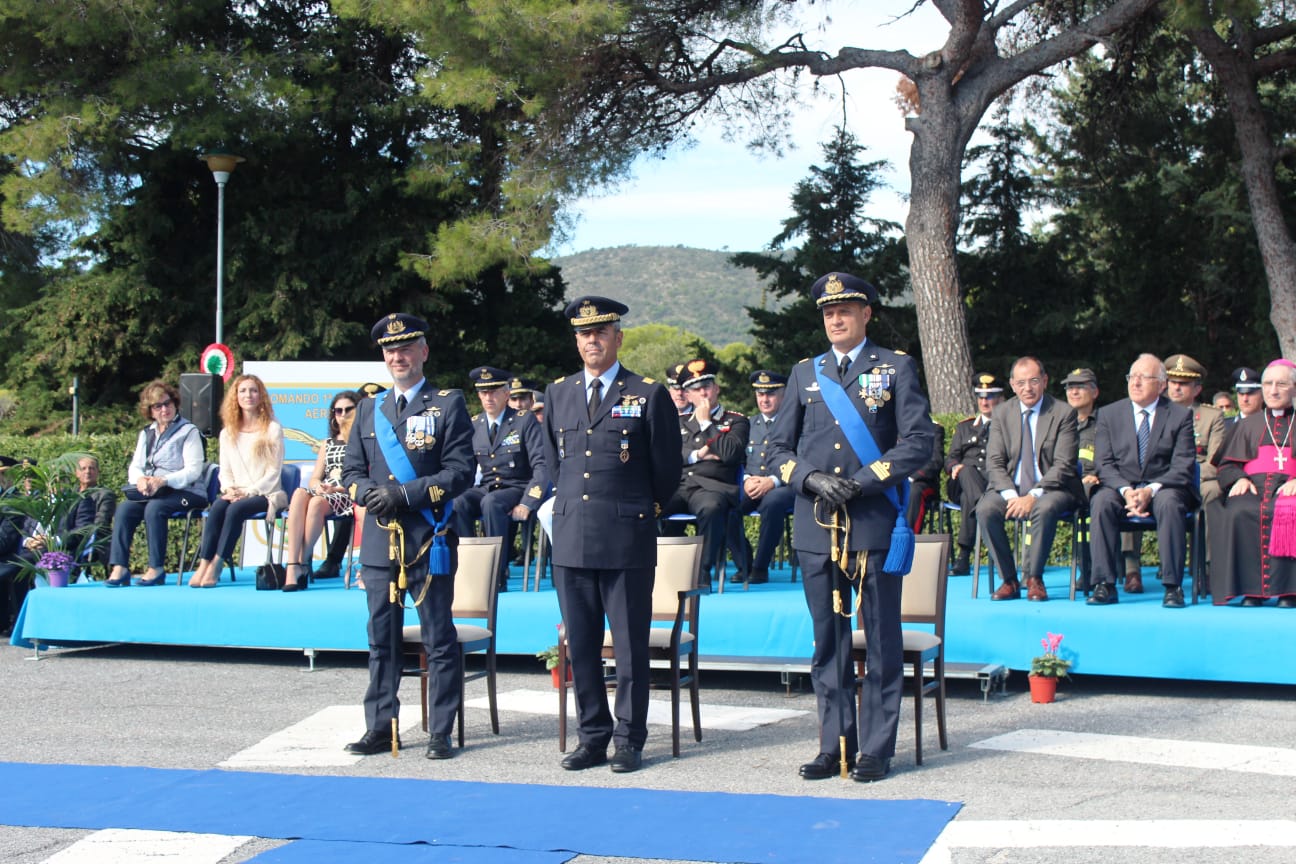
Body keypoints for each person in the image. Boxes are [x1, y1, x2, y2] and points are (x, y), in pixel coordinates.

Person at [767, 271, 934, 783]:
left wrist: (862, 481)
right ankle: (835, 743)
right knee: (828, 642)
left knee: (882, 640)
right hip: (817, 523)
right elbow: (777, 449)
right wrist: (811, 478)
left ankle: (876, 748)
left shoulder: (896, 367)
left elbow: (919, 440)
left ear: (866, 315)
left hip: (874, 520)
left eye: (845, 310)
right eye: (827, 312)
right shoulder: (804, 374)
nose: (835, 319)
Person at [541, 296, 681, 774]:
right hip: (572, 537)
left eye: (601, 332)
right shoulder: (557, 394)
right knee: (580, 646)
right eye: (584, 334)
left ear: (618, 337)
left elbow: (666, 471)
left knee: (628, 648)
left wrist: (640, 511)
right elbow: (553, 463)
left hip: (625, 538)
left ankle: (628, 739)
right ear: (576, 341)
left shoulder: (647, 393)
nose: (592, 341)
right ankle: (593, 737)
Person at [341, 313, 474, 759]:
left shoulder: (448, 404)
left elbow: (459, 472)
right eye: (389, 350)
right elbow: (351, 470)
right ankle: (381, 727)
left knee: (438, 638)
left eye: (405, 348)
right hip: (380, 541)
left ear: (423, 352)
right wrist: (365, 494)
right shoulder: (368, 408)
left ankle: (440, 731)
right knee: (382, 639)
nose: (397, 356)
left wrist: (403, 494)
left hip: (427, 537)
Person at [1088, 354, 1198, 608]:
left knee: (1170, 504)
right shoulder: (1109, 414)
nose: (1135, 383)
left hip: (1164, 486)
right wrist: (1127, 491)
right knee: (1101, 501)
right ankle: (1104, 584)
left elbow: (1183, 465)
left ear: (1161, 385)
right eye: (1131, 377)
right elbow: (1103, 463)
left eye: (1143, 378)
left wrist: (1150, 490)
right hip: (1121, 486)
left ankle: (1173, 586)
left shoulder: (1179, 415)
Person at [977, 357, 1082, 602]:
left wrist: (1033, 496)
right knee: (985, 509)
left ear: (1044, 381)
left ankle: (1034, 578)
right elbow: (994, 461)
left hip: (1052, 488)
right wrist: (1013, 497)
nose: (1028, 388)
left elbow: (1064, 465)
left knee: (1044, 508)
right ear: (1013, 385)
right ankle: (1010, 580)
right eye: (1021, 382)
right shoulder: (1002, 412)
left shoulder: (1063, 413)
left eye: (1034, 381)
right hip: (1010, 489)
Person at [1208, 359, 1296, 607]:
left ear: (1294, 388)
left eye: (1281, 384)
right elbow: (1225, 465)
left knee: (1290, 509)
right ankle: (1251, 591)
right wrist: (1239, 478)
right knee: (1240, 509)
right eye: (1268, 384)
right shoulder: (1246, 425)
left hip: (1290, 487)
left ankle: (1290, 591)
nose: (1273, 390)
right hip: (1253, 486)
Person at [452, 366, 549, 591]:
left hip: (517, 486)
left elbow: (541, 466)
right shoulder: (475, 424)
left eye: (494, 391)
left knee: (491, 503)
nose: (489, 397)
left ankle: (497, 571)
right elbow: (467, 467)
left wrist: (528, 502)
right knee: (460, 502)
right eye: (484, 392)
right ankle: (472, 566)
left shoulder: (524, 421)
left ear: (506, 394)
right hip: (488, 487)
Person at [105, 381, 208, 587]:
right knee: (125, 508)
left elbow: (193, 470)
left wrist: (163, 480)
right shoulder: (147, 433)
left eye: (167, 403)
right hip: (156, 491)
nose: (164, 409)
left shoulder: (189, 431)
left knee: (155, 508)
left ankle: (156, 568)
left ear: (175, 403)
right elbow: (135, 466)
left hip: (187, 491)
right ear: (150, 411)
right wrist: (140, 480)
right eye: (158, 406)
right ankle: (120, 567)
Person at [188, 375, 286, 589]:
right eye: (242, 391)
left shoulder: (272, 430)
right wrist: (229, 489)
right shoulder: (227, 433)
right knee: (217, 508)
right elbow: (225, 470)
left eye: (253, 390)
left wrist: (248, 492)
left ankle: (217, 563)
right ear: (235, 397)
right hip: (235, 492)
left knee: (235, 510)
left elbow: (273, 472)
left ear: (261, 396)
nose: (248, 395)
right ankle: (204, 563)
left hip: (264, 494)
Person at [661, 359, 749, 586]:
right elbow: (666, 454)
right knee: (643, 505)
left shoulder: (736, 421)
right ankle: (651, 569)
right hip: (678, 487)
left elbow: (730, 454)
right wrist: (697, 455)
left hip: (712, 488)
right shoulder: (675, 421)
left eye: (707, 387)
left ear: (716, 388)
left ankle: (702, 572)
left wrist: (706, 424)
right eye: (696, 390)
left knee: (711, 509)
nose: (703, 393)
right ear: (688, 396)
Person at [281, 390, 360, 591]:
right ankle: (293, 565)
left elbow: (361, 475)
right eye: (338, 410)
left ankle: (300, 562)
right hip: (325, 490)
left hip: (346, 492)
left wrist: (336, 488)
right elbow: (316, 475)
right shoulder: (327, 443)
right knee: (300, 493)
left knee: (316, 503)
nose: (342, 414)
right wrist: (318, 486)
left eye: (348, 410)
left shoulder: (361, 441)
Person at [734, 370, 795, 585]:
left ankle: (760, 567)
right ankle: (745, 562)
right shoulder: (748, 425)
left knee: (772, 502)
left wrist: (773, 481)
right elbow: (738, 460)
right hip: (752, 483)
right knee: (725, 504)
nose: (764, 399)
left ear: (783, 395)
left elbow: (800, 460)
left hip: (784, 485)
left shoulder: (795, 425)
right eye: (760, 394)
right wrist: (747, 479)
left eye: (770, 394)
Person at [944, 373, 1005, 575]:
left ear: (1000, 398)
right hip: (963, 480)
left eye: (989, 397)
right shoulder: (965, 426)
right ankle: (982, 508)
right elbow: (951, 457)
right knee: (966, 470)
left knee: (968, 499)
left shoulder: (1005, 426)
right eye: (980, 397)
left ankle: (963, 557)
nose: (984, 401)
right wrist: (955, 467)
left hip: (992, 484)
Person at [1061, 368, 1100, 588]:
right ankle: (1030, 571)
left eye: (1080, 386)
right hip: (1063, 485)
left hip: (1093, 484)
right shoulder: (1057, 422)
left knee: (1095, 501)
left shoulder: (1106, 422)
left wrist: (1098, 475)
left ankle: (1089, 570)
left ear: (1095, 392)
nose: (1074, 391)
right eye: (1070, 387)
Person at [906, 419, 946, 533]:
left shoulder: (934, 428)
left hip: (923, 482)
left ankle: (910, 537)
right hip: (898, 479)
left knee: (914, 492)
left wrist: (912, 476)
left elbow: (936, 461)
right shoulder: (897, 425)